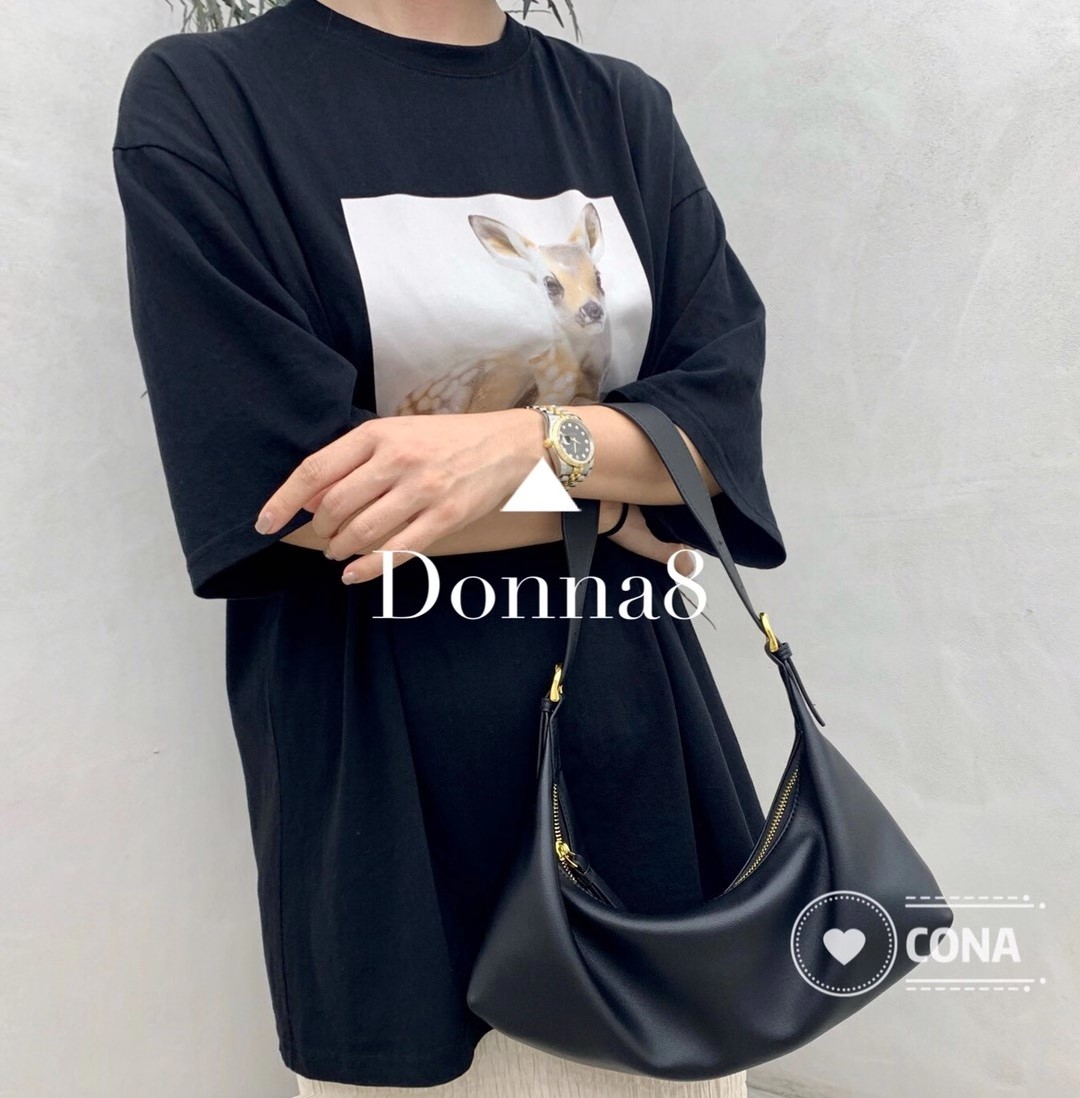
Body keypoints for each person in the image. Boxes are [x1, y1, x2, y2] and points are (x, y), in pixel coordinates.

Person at [111, 1, 786, 1094]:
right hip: (384, 780)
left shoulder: (618, 109)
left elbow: (716, 437)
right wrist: (617, 492)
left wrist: (519, 446)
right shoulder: (211, 98)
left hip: (638, 744)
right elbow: (289, 497)